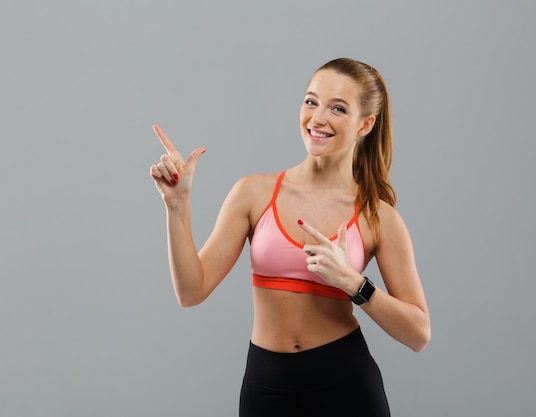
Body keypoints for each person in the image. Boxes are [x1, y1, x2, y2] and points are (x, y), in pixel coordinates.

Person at [149, 57, 430, 416]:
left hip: (346, 386)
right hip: (268, 387)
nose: (318, 118)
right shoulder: (253, 193)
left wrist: (353, 283)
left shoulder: (378, 216)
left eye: (338, 108)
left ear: (366, 124)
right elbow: (191, 291)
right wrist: (177, 207)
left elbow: (418, 334)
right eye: (311, 101)